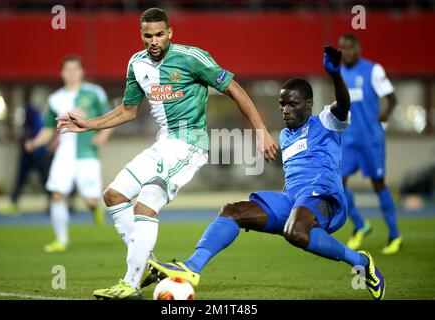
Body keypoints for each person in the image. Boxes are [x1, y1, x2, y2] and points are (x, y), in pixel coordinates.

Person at [56, 7, 278, 300]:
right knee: (113, 196)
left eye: (160, 34)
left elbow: (234, 88)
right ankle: (146, 266)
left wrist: (261, 131)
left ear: (170, 33)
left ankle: (131, 282)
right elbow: (128, 110)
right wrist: (87, 126)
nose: (155, 40)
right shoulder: (136, 64)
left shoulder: (191, 58)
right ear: (141, 36)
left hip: (190, 144)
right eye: (148, 36)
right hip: (164, 144)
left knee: (144, 206)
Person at [148, 46, 386, 301]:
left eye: (292, 104)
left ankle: (361, 261)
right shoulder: (285, 135)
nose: (285, 110)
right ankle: (192, 266)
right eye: (282, 104)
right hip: (293, 198)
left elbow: (343, 104)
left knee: (295, 231)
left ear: (309, 104)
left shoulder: (326, 122)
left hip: (323, 195)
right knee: (232, 211)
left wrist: (336, 74)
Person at [25, 55, 112, 253]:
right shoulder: (55, 98)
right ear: (62, 73)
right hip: (64, 154)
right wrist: (35, 142)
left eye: (75, 69)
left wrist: (103, 135)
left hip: (87, 152)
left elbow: (109, 116)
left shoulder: (94, 93)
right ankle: (61, 240)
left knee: (90, 200)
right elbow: (48, 128)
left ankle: (94, 207)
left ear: (82, 72)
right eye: (68, 69)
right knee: (57, 195)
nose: (71, 73)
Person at [338, 33, 402, 254]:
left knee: (378, 184)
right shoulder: (340, 74)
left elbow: (392, 98)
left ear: (358, 48)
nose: (345, 51)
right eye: (342, 48)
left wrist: (384, 115)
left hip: (370, 139)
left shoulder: (373, 70)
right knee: (339, 182)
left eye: (349, 47)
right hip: (348, 140)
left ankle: (394, 235)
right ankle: (360, 225)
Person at [1, 98, 51, 215]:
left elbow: (41, 132)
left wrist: (35, 145)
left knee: (44, 180)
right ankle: (14, 203)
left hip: (38, 153)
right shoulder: (31, 115)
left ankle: (52, 204)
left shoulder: (34, 114)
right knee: (22, 179)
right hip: (30, 153)